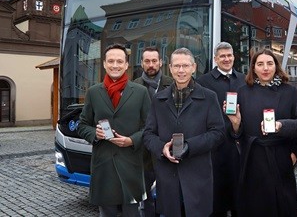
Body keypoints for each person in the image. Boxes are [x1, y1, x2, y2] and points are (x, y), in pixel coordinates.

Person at [143, 47, 225, 217]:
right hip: (168, 175)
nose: (181, 70)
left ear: (193, 67)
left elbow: (218, 132)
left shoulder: (209, 97)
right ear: (170, 68)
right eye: (177, 66)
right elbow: (148, 134)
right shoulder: (159, 99)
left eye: (185, 66)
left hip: (197, 174)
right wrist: (161, 148)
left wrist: (189, 146)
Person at [225, 48, 297, 217]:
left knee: (282, 206)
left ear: (276, 66)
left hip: (280, 158)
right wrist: (236, 123)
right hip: (252, 159)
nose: (265, 68)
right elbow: (237, 134)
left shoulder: (289, 92)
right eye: (260, 64)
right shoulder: (243, 92)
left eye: (269, 63)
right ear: (253, 68)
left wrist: (294, 153)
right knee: (255, 208)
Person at [77, 44, 151, 217]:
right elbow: (82, 125)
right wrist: (95, 134)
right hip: (104, 168)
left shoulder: (140, 92)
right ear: (104, 64)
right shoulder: (94, 92)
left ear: (126, 65)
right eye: (111, 61)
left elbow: (150, 127)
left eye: (119, 61)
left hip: (131, 166)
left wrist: (132, 140)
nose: (115, 65)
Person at [196, 41, 245, 217]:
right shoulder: (203, 82)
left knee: (240, 196)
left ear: (234, 57)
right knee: (217, 200)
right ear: (216, 59)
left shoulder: (244, 79)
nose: (226, 59)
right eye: (222, 56)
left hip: (240, 146)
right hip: (215, 150)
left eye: (229, 55)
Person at [134, 46, 173, 217]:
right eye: (147, 61)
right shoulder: (133, 86)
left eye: (154, 61)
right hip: (142, 152)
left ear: (161, 62)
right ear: (142, 63)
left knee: (168, 195)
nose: (151, 65)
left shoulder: (172, 84)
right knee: (145, 196)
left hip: (166, 148)